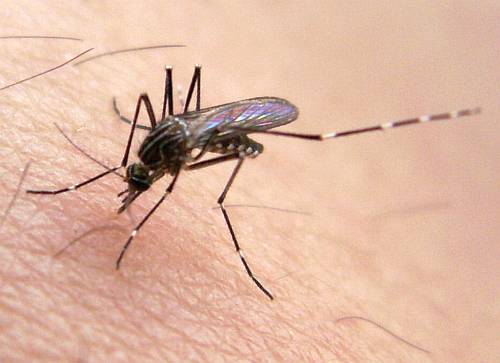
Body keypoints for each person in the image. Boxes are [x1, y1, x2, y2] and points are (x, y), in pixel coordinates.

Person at [1, 2, 496, 362]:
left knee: (315, 138)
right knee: (162, 98)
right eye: (136, 179)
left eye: (137, 180)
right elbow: (149, 137)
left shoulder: (164, 167)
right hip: (193, 130)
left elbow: (164, 176)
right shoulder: (150, 150)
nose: (135, 185)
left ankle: (436, 117)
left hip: (220, 133)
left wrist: (132, 231)